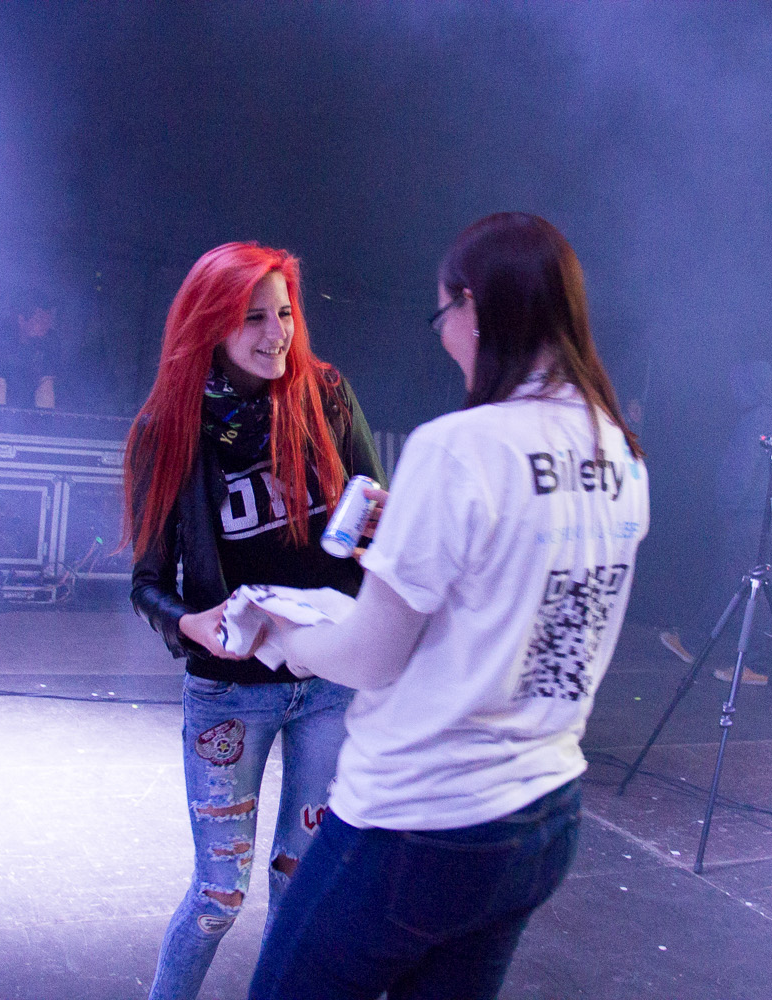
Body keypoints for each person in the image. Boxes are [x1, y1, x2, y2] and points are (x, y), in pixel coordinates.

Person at [243, 212, 649, 1000]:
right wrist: (417, 535)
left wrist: (289, 634)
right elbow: (531, 595)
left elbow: (369, 656)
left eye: (442, 318)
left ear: (473, 307)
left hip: (418, 823)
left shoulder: (458, 448)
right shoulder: (618, 450)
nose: (446, 341)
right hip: (541, 814)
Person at [123, 242, 383, 1000]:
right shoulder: (169, 428)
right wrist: (192, 623)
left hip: (328, 684)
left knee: (301, 894)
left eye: (285, 314)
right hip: (230, 693)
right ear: (212, 324)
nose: (277, 334)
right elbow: (147, 585)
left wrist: (378, 532)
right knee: (218, 898)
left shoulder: (326, 396)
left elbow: (375, 514)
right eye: (254, 318)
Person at [659, 360, 772, 685]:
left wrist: (726, 505)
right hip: (763, 515)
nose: (733, 392)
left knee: (738, 583)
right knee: (745, 584)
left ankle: (733, 657)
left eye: (737, 385)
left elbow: (741, 469)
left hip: (750, 515)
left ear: (749, 385)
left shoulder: (758, 418)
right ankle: (710, 648)